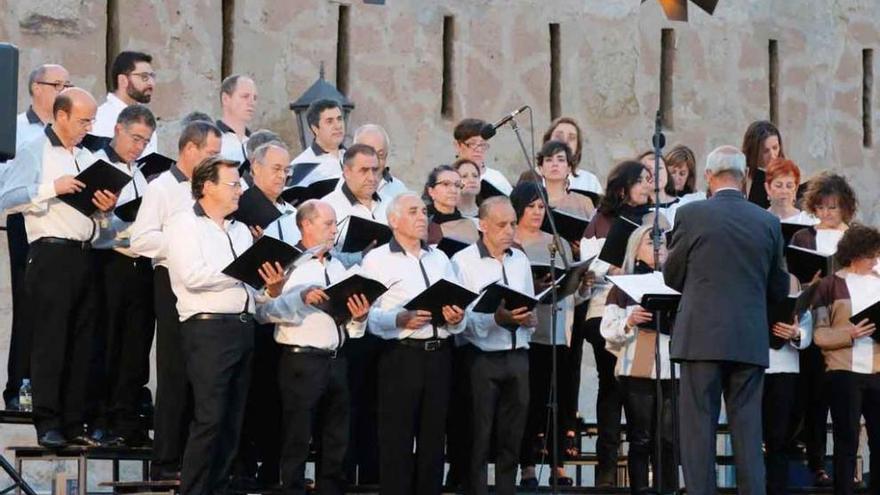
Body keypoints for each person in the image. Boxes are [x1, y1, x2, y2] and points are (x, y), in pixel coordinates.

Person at [664, 145, 789, 494]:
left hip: (700, 338)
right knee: (748, 433)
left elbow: (672, 276)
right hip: (748, 339)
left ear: (708, 176)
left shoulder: (691, 215)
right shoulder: (767, 222)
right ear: (746, 177)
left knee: (698, 432)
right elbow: (778, 286)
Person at [0, 88, 119, 447]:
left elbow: (95, 216)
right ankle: (47, 421)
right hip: (50, 254)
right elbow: (6, 197)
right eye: (83, 120)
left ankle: (74, 422)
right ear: (61, 115)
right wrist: (54, 186)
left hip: (86, 253)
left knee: (83, 342)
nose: (89, 126)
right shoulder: (34, 149)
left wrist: (104, 207)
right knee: (50, 340)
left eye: (92, 120)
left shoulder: (87, 156)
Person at [164, 156, 282, 495]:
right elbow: (191, 276)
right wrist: (240, 274)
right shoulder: (185, 223)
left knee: (234, 421)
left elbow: (250, 291)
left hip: (243, 328)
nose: (240, 191)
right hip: (208, 330)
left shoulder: (241, 230)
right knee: (210, 417)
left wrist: (270, 287)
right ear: (207, 186)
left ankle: (219, 488)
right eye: (233, 184)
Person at [256, 199, 372, 495]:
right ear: (306, 224)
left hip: (337, 358)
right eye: (328, 224)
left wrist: (359, 317)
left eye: (335, 224)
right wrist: (298, 297)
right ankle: (291, 488)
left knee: (336, 436)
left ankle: (330, 489)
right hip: (301, 360)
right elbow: (263, 313)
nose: (334, 231)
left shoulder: (340, 267)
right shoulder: (286, 265)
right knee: (297, 435)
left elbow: (352, 327)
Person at [130, 120, 222, 480]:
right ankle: (165, 462)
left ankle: (193, 461)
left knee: (200, 374)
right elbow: (140, 240)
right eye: (211, 154)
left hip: (205, 287)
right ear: (189, 150)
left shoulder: (210, 191)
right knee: (173, 372)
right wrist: (183, 244)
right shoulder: (163, 188)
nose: (216, 161)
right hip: (170, 280)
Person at [361, 192, 466, 495]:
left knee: (434, 441)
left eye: (423, 211)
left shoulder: (440, 258)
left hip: (440, 355)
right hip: (401, 356)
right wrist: (399, 319)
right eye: (413, 211)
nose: (423, 217)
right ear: (393, 220)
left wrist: (455, 316)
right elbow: (368, 315)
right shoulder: (377, 260)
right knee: (397, 441)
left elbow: (460, 310)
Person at [572, 160, 652, 487]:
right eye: (642, 181)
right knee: (612, 385)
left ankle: (638, 463)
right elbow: (591, 271)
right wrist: (607, 271)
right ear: (623, 189)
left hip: (643, 314)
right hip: (605, 310)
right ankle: (606, 467)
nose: (649, 185)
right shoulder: (600, 222)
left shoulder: (654, 220)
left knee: (637, 388)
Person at [451, 197, 536, 495]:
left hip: (518, 355)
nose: (510, 230)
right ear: (482, 225)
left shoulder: (520, 259)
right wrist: (494, 320)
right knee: (479, 435)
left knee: (512, 436)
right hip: (481, 358)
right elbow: (459, 322)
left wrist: (528, 318)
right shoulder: (463, 262)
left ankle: (505, 490)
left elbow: (526, 303)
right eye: (502, 224)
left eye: (513, 223)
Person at [510, 181, 591, 488]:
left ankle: (557, 464)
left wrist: (581, 285)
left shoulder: (555, 241)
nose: (536, 212)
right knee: (527, 401)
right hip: (526, 331)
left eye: (542, 207)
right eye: (531, 206)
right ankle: (527, 465)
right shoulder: (512, 240)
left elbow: (573, 293)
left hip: (556, 329)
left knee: (555, 399)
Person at [2, 63, 70, 411]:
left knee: (59, 311)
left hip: (63, 227)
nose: (63, 90)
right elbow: (5, 189)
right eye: (56, 83)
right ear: (36, 88)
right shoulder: (15, 129)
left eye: (67, 84)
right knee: (29, 304)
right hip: (25, 224)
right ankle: (18, 384)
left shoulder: (70, 134)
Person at [88, 104, 157, 446]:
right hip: (109, 266)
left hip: (140, 268)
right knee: (108, 342)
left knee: (135, 348)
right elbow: (93, 225)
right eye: (134, 138)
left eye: (145, 141)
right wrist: (108, 218)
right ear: (117, 129)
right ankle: (100, 419)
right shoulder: (97, 165)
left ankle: (127, 420)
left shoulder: (142, 174)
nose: (138, 146)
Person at [231, 140, 298, 489]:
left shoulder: (288, 212)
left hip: (283, 317)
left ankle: (272, 470)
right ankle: (242, 467)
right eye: (276, 169)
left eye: (287, 170)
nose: (283, 176)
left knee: (275, 399)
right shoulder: (242, 208)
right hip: (252, 314)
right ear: (254, 169)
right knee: (248, 395)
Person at [789, 171, 858, 486]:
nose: (828, 214)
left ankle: (848, 467)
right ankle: (816, 462)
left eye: (834, 207)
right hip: (814, 324)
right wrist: (810, 284)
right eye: (822, 207)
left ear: (846, 207)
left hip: (849, 325)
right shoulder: (803, 238)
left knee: (847, 401)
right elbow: (793, 284)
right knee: (815, 398)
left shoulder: (856, 237)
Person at [600, 225, 677, 494]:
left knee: (668, 441)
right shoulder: (623, 286)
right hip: (637, 371)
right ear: (635, 248)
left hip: (671, 370)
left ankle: (667, 489)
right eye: (650, 242)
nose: (658, 248)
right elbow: (607, 329)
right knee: (641, 439)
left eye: (663, 243)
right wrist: (630, 321)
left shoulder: (677, 281)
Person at [811, 224, 880, 495]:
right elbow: (820, 335)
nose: (875, 259)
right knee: (846, 439)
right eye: (870, 254)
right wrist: (849, 333)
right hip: (843, 372)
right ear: (853, 254)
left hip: (877, 370)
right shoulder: (830, 285)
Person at [322, 144, 387, 266]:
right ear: (347, 172)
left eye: (375, 170)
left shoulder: (390, 203)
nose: (371, 178)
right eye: (364, 170)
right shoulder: (326, 208)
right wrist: (359, 257)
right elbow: (322, 257)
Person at [93, 51, 158, 156]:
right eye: (144, 77)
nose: (151, 83)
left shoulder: (146, 117)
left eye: (152, 76)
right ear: (123, 80)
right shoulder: (101, 118)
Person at [453, 118, 513, 200]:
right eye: (472, 143)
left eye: (482, 144)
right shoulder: (447, 177)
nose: (478, 149)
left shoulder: (497, 178)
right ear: (457, 145)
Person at [542, 116, 602, 196]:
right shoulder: (533, 178)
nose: (565, 141)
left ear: (577, 146)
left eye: (571, 138)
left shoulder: (589, 181)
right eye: (559, 136)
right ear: (548, 141)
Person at [535, 140, 594, 219]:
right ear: (540, 168)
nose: (555, 164)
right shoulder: (532, 202)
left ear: (569, 168)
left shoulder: (583, 203)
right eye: (549, 160)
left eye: (561, 160)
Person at [290, 99, 345, 182]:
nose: (338, 126)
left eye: (339, 119)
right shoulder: (301, 166)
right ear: (315, 128)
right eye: (329, 121)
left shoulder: (353, 157)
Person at [423, 164, 480, 245]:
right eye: (446, 184)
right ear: (431, 191)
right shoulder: (422, 222)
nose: (453, 190)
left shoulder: (469, 224)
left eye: (457, 185)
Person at [353, 124, 408, 202]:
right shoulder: (338, 184)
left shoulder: (399, 190)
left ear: (386, 156)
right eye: (369, 154)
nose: (374, 163)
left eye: (380, 155)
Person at [742, 120, 785, 208]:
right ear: (754, 151)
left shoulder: (786, 172)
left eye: (775, 148)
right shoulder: (742, 176)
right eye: (765, 151)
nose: (773, 155)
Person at [217, 74, 257, 166]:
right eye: (245, 96)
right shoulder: (212, 139)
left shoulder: (257, 144)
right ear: (225, 99)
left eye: (255, 98)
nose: (252, 103)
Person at [764, 158, 816, 225]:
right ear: (768, 188)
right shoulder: (759, 220)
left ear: (796, 189)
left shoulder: (810, 221)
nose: (784, 191)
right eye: (778, 186)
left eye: (789, 186)